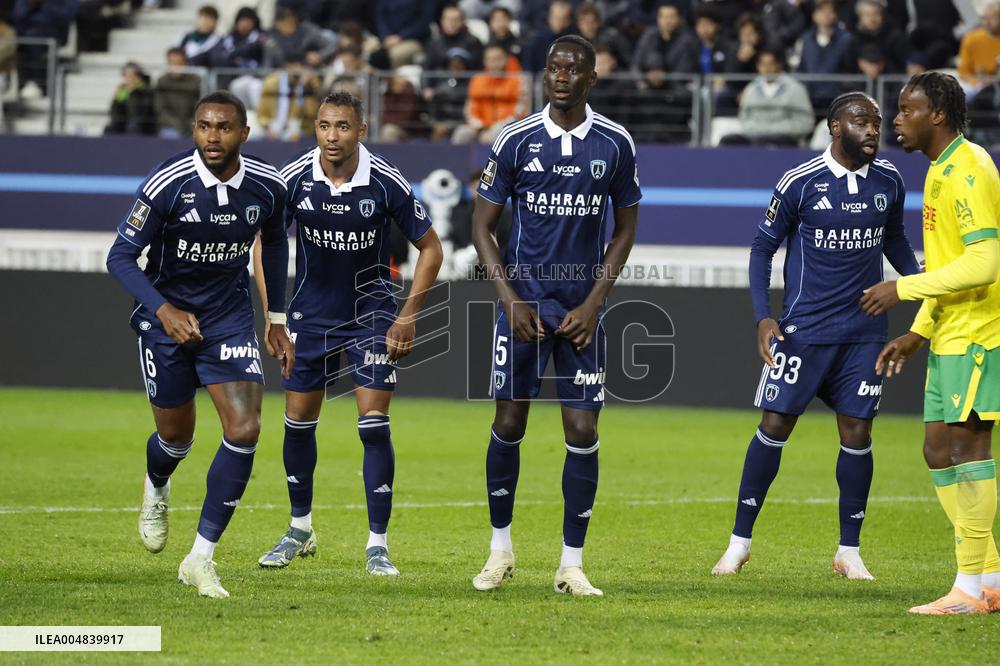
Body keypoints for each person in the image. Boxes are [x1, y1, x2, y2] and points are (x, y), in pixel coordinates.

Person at [711, 92, 920, 579]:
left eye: (876, 121)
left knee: (858, 432)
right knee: (775, 424)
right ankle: (739, 544)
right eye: (862, 121)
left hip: (864, 333)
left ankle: (849, 551)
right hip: (803, 332)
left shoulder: (889, 180)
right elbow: (761, 249)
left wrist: (918, 285)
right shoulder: (800, 182)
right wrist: (764, 317)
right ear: (835, 126)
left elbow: (894, 239)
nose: (873, 129)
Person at [470, 35, 641, 596]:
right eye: (553, 67)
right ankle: (499, 551)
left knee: (583, 428)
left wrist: (594, 303)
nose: (561, 75)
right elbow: (482, 227)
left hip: (581, 315)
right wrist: (509, 300)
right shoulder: (515, 139)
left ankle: (571, 564)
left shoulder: (615, 143)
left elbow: (625, 229)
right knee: (509, 423)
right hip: (522, 309)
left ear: (591, 77)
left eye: (573, 68)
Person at [105, 91, 293, 598]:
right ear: (194, 129)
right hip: (164, 322)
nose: (213, 136)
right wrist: (164, 310)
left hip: (228, 321)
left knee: (246, 428)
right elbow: (120, 256)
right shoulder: (168, 183)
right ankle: (156, 484)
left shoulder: (268, 186)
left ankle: (200, 557)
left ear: (244, 133)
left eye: (224, 127)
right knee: (176, 440)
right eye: (204, 126)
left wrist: (276, 316)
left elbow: (275, 240)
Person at [255, 91, 443, 575]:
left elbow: (432, 248)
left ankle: (377, 545)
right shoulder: (293, 179)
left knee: (373, 425)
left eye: (342, 126)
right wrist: (275, 317)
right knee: (297, 422)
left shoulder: (385, 181)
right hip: (309, 319)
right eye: (324, 126)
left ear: (361, 131)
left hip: (372, 317)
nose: (331, 136)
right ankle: (299, 528)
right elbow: (265, 244)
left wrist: (408, 316)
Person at [860, 72, 1000, 615]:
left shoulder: (969, 169)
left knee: (969, 451)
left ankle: (968, 589)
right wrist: (918, 332)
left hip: (979, 334)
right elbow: (948, 265)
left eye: (906, 109)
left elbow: (984, 263)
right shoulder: (940, 169)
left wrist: (902, 288)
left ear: (937, 114)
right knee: (938, 450)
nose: (896, 120)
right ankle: (990, 576)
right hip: (948, 333)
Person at [721, 49, 815, 146]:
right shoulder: (751, 89)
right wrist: (758, 130)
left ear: (779, 65)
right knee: (728, 140)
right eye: (763, 64)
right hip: (754, 138)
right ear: (758, 66)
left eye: (771, 64)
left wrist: (776, 130)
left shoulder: (795, 89)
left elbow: (806, 122)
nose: (767, 68)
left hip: (785, 139)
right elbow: (744, 118)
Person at [453, 42, 524, 144]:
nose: (495, 63)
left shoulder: (518, 80)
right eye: (490, 60)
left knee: (496, 133)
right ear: (485, 61)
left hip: (507, 126)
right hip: (480, 126)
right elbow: (470, 110)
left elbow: (520, 112)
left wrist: (495, 127)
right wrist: (480, 127)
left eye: (498, 59)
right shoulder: (477, 80)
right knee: (461, 133)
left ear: (506, 59)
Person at [797, 0, 854, 113]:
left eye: (830, 12)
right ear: (814, 15)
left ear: (836, 15)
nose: (826, 15)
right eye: (822, 11)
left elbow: (850, 67)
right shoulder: (806, 39)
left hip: (836, 98)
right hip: (810, 98)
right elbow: (802, 67)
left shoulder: (846, 39)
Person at [256, 56, 321, 141]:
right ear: (287, 67)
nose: (297, 73)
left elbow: (311, 114)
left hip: (298, 128)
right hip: (272, 125)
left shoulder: (311, 83)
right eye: (294, 68)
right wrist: (267, 127)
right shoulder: (272, 82)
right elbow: (261, 112)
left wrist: (304, 86)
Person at [155, 48, 203, 139]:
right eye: (172, 63)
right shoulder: (162, 81)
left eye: (178, 63)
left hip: (192, 125)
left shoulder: (196, 81)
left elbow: (200, 106)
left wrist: (191, 123)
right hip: (170, 126)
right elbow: (160, 110)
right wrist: (178, 125)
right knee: (171, 135)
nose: (175, 67)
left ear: (185, 63)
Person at [425, 4, 484, 71]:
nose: (452, 23)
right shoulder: (434, 44)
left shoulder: (473, 42)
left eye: (456, 19)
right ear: (441, 21)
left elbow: (479, 68)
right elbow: (427, 70)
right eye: (448, 19)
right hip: (441, 77)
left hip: (469, 77)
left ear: (462, 21)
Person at [957, 1, 1000, 92]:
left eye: (993, 18)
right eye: (984, 18)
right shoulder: (971, 38)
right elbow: (963, 72)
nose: (987, 22)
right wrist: (978, 82)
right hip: (977, 86)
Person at [105, 61, 156, 136]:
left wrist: (133, 92)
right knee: (109, 128)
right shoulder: (122, 91)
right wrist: (117, 98)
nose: (128, 79)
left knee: (133, 127)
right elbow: (114, 113)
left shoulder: (146, 91)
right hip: (124, 124)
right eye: (126, 75)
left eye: (131, 76)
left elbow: (139, 114)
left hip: (144, 125)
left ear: (138, 77)